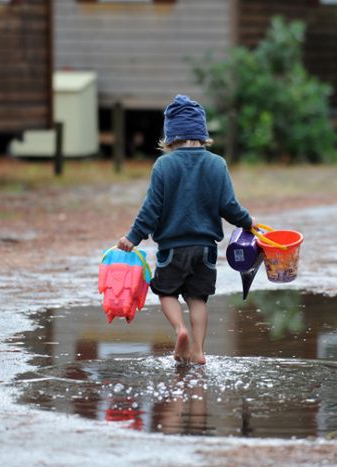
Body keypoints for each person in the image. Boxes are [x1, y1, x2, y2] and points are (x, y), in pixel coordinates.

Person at [117, 94, 256, 365]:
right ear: (202, 133)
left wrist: (133, 237)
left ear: (170, 136)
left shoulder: (164, 165)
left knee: (166, 292)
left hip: (172, 248)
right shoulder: (217, 164)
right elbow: (228, 205)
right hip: (205, 249)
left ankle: (180, 330)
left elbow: (151, 209)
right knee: (198, 298)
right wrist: (248, 223)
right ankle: (199, 351)